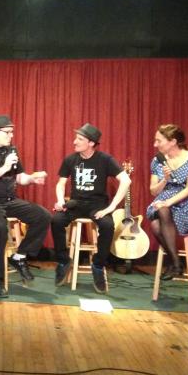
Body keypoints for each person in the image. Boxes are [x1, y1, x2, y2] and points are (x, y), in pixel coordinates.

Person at [0, 115, 52, 297]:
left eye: (12, 132)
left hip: (9, 200)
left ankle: (20, 256)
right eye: (8, 132)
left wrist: (32, 179)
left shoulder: (11, 151)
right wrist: (4, 168)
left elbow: (19, 177)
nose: (11, 136)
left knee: (43, 215)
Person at [51, 123, 131, 294]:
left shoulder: (105, 160)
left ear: (91, 143)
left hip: (97, 205)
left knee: (108, 226)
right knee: (56, 220)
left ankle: (98, 265)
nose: (74, 142)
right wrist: (60, 201)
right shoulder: (70, 160)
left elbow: (126, 181)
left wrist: (111, 207)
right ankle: (64, 260)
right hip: (76, 203)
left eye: (80, 139)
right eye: (76, 138)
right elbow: (61, 183)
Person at [146, 124, 188, 280]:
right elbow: (153, 191)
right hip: (162, 200)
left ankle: (174, 263)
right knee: (160, 214)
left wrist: (168, 202)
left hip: (184, 203)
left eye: (159, 141)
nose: (155, 144)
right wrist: (165, 179)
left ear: (172, 142)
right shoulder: (157, 161)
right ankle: (176, 262)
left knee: (156, 223)